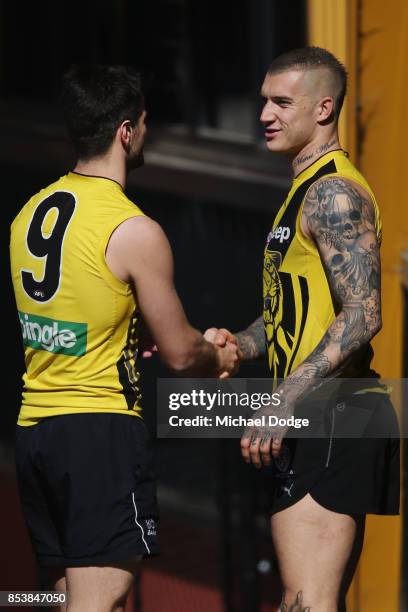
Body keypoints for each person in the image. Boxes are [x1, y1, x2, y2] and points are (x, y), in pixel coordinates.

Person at [10, 64, 239, 612]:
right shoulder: (133, 229)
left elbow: (78, 319)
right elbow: (183, 353)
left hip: (36, 432)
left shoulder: (27, 214)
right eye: (144, 123)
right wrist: (219, 355)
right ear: (126, 131)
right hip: (98, 434)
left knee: (71, 600)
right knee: (101, 602)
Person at [206, 47, 400, 611]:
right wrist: (238, 347)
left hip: (332, 410)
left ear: (324, 108)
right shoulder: (304, 189)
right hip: (319, 411)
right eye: (263, 100)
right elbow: (294, 311)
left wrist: (283, 399)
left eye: (281, 102)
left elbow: (364, 313)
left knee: (306, 603)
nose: (264, 113)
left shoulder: (333, 193)